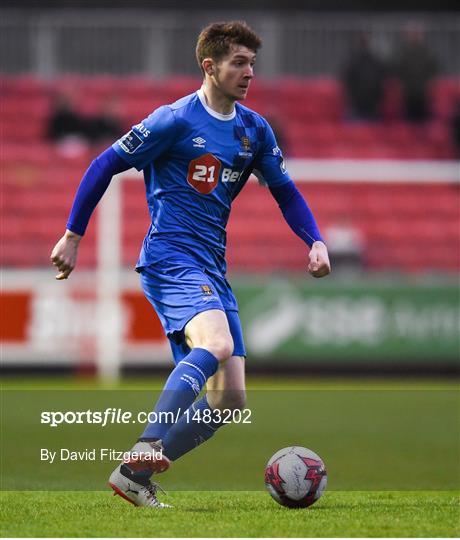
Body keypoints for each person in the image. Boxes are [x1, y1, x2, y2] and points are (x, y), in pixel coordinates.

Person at [50, 21, 331, 508]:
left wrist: (315, 240)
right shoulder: (174, 121)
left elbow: (285, 191)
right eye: (238, 63)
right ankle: (146, 444)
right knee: (217, 343)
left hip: (211, 269)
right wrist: (73, 235)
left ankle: (133, 478)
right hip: (170, 258)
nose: (249, 74)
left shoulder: (253, 129)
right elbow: (103, 165)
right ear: (210, 66)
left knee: (230, 401)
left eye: (252, 65)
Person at [391, 21, 438, 123]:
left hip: (423, 95)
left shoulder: (427, 54)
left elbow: (433, 72)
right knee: (409, 124)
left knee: (422, 124)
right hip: (408, 95)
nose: (414, 36)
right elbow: (397, 72)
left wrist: (428, 86)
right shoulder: (402, 54)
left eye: (416, 33)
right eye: (411, 33)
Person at [342, 32, 387, 122]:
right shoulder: (355, 60)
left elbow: (381, 81)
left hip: (369, 104)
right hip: (362, 104)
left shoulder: (372, 61)